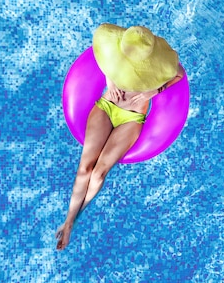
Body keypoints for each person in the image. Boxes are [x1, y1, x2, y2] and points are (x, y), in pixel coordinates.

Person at [56, 24, 185, 250]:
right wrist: (110, 78)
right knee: (85, 168)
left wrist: (152, 91)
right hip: (107, 105)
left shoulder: (159, 64)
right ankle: (68, 222)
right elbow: (101, 55)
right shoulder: (118, 48)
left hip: (132, 116)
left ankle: (78, 215)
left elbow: (179, 74)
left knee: (99, 173)